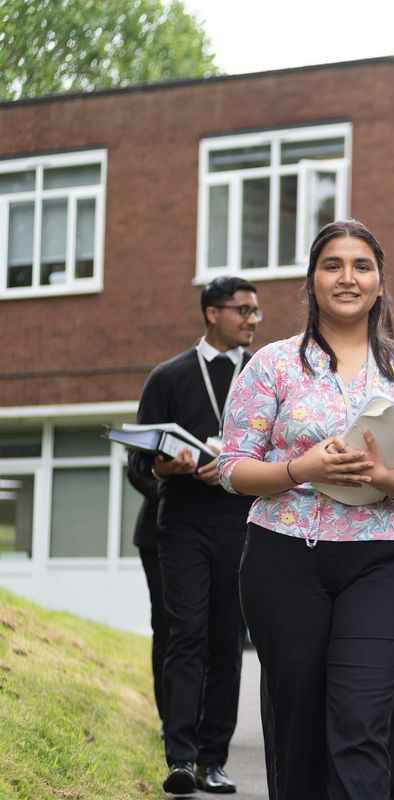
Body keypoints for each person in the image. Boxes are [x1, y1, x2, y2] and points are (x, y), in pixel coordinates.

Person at [218, 219, 394, 800]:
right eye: (333, 265)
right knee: (297, 728)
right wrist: (301, 469)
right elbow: (232, 467)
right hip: (284, 557)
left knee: (362, 722)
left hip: (383, 559)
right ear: (312, 281)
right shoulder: (272, 364)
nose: (348, 277)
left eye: (362, 266)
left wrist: (386, 476)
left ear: (379, 283)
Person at [131, 275, 260, 795]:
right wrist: (170, 468)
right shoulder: (168, 376)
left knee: (227, 642)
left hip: (241, 524)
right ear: (212, 313)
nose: (252, 319)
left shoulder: (263, 376)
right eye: (243, 310)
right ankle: (180, 757)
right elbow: (140, 464)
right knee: (185, 636)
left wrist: (234, 467)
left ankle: (214, 760)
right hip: (181, 524)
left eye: (256, 312)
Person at [125, 456, 167, 731]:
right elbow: (135, 468)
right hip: (156, 538)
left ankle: (201, 717)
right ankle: (169, 716)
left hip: (208, 531)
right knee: (165, 625)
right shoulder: (161, 413)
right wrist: (168, 490)